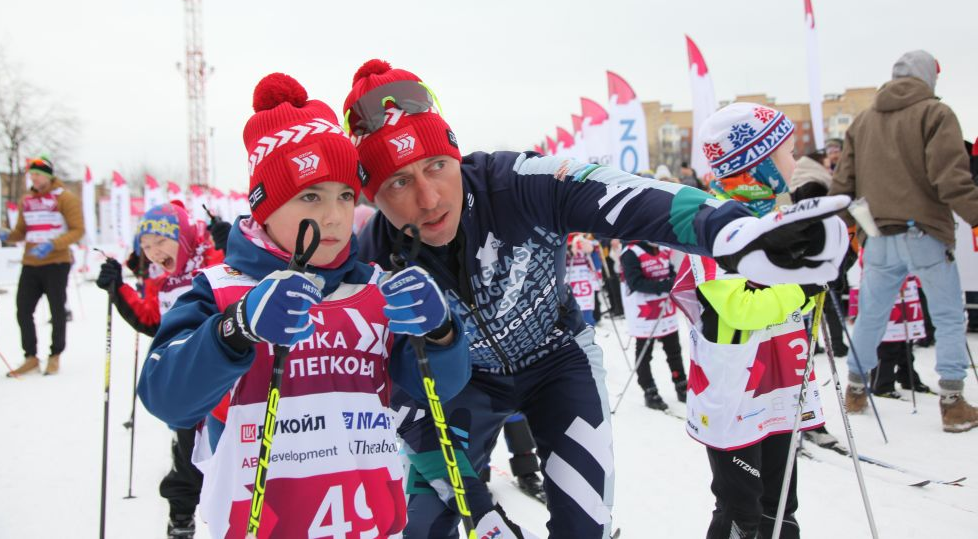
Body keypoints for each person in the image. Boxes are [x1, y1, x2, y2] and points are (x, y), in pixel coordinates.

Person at [348, 58, 849, 539]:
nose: (429, 198)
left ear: (455, 155)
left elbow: (630, 197)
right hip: (464, 387)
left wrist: (736, 233)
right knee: (423, 527)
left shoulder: (516, 182)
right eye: (398, 182)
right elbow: (404, 404)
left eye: (437, 165)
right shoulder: (370, 265)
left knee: (584, 527)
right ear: (372, 196)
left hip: (556, 365)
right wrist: (480, 510)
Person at [138, 73, 469, 539]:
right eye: (310, 196)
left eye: (345, 196)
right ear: (263, 208)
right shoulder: (222, 288)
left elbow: (441, 387)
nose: (333, 217)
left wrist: (441, 333)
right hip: (263, 524)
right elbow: (167, 398)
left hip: (370, 521)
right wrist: (237, 327)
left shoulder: (373, 288)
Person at [673, 102, 842, 539]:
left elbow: (796, 304)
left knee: (781, 502)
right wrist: (803, 286)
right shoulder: (711, 224)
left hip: (779, 383)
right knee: (741, 508)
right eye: (785, 153)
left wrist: (821, 270)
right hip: (735, 391)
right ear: (757, 164)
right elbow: (739, 309)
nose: (794, 161)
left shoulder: (775, 217)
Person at [830, 50, 978, 432]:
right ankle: (952, 401)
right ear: (929, 77)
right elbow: (951, 179)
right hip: (924, 232)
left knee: (871, 316)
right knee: (947, 315)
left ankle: (856, 389)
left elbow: (843, 186)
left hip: (877, 237)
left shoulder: (862, 121)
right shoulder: (935, 113)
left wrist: (854, 226)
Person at [96, 202, 225, 538]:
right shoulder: (162, 282)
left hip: (227, 379)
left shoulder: (213, 262)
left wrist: (228, 242)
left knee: (228, 454)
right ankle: (181, 517)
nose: (153, 254)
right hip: (186, 381)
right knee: (186, 456)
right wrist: (118, 289)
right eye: (146, 246)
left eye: (161, 243)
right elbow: (151, 320)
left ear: (182, 237)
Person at [4, 155, 85, 376]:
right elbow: (21, 231)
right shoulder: (26, 200)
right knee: (23, 310)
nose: (34, 178)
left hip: (56, 261)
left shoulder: (65, 198)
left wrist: (53, 244)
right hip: (31, 261)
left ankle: (55, 354)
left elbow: (78, 230)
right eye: (31, 174)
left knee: (57, 310)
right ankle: (30, 356)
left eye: (38, 174)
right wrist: (8, 235)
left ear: (48, 176)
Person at [789, 150, 849, 357]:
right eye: (826, 164)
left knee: (810, 304)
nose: (828, 168)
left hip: (801, 253)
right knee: (829, 304)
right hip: (819, 253)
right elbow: (823, 224)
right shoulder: (815, 185)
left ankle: (811, 342)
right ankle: (837, 345)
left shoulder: (798, 180)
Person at [620, 240, 684, 410]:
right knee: (644, 353)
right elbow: (635, 282)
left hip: (665, 308)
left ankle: (681, 383)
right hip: (645, 312)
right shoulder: (631, 252)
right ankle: (649, 389)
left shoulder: (663, 248)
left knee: (674, 350)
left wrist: (673, 281)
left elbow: (671, 273)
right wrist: (665, 285)